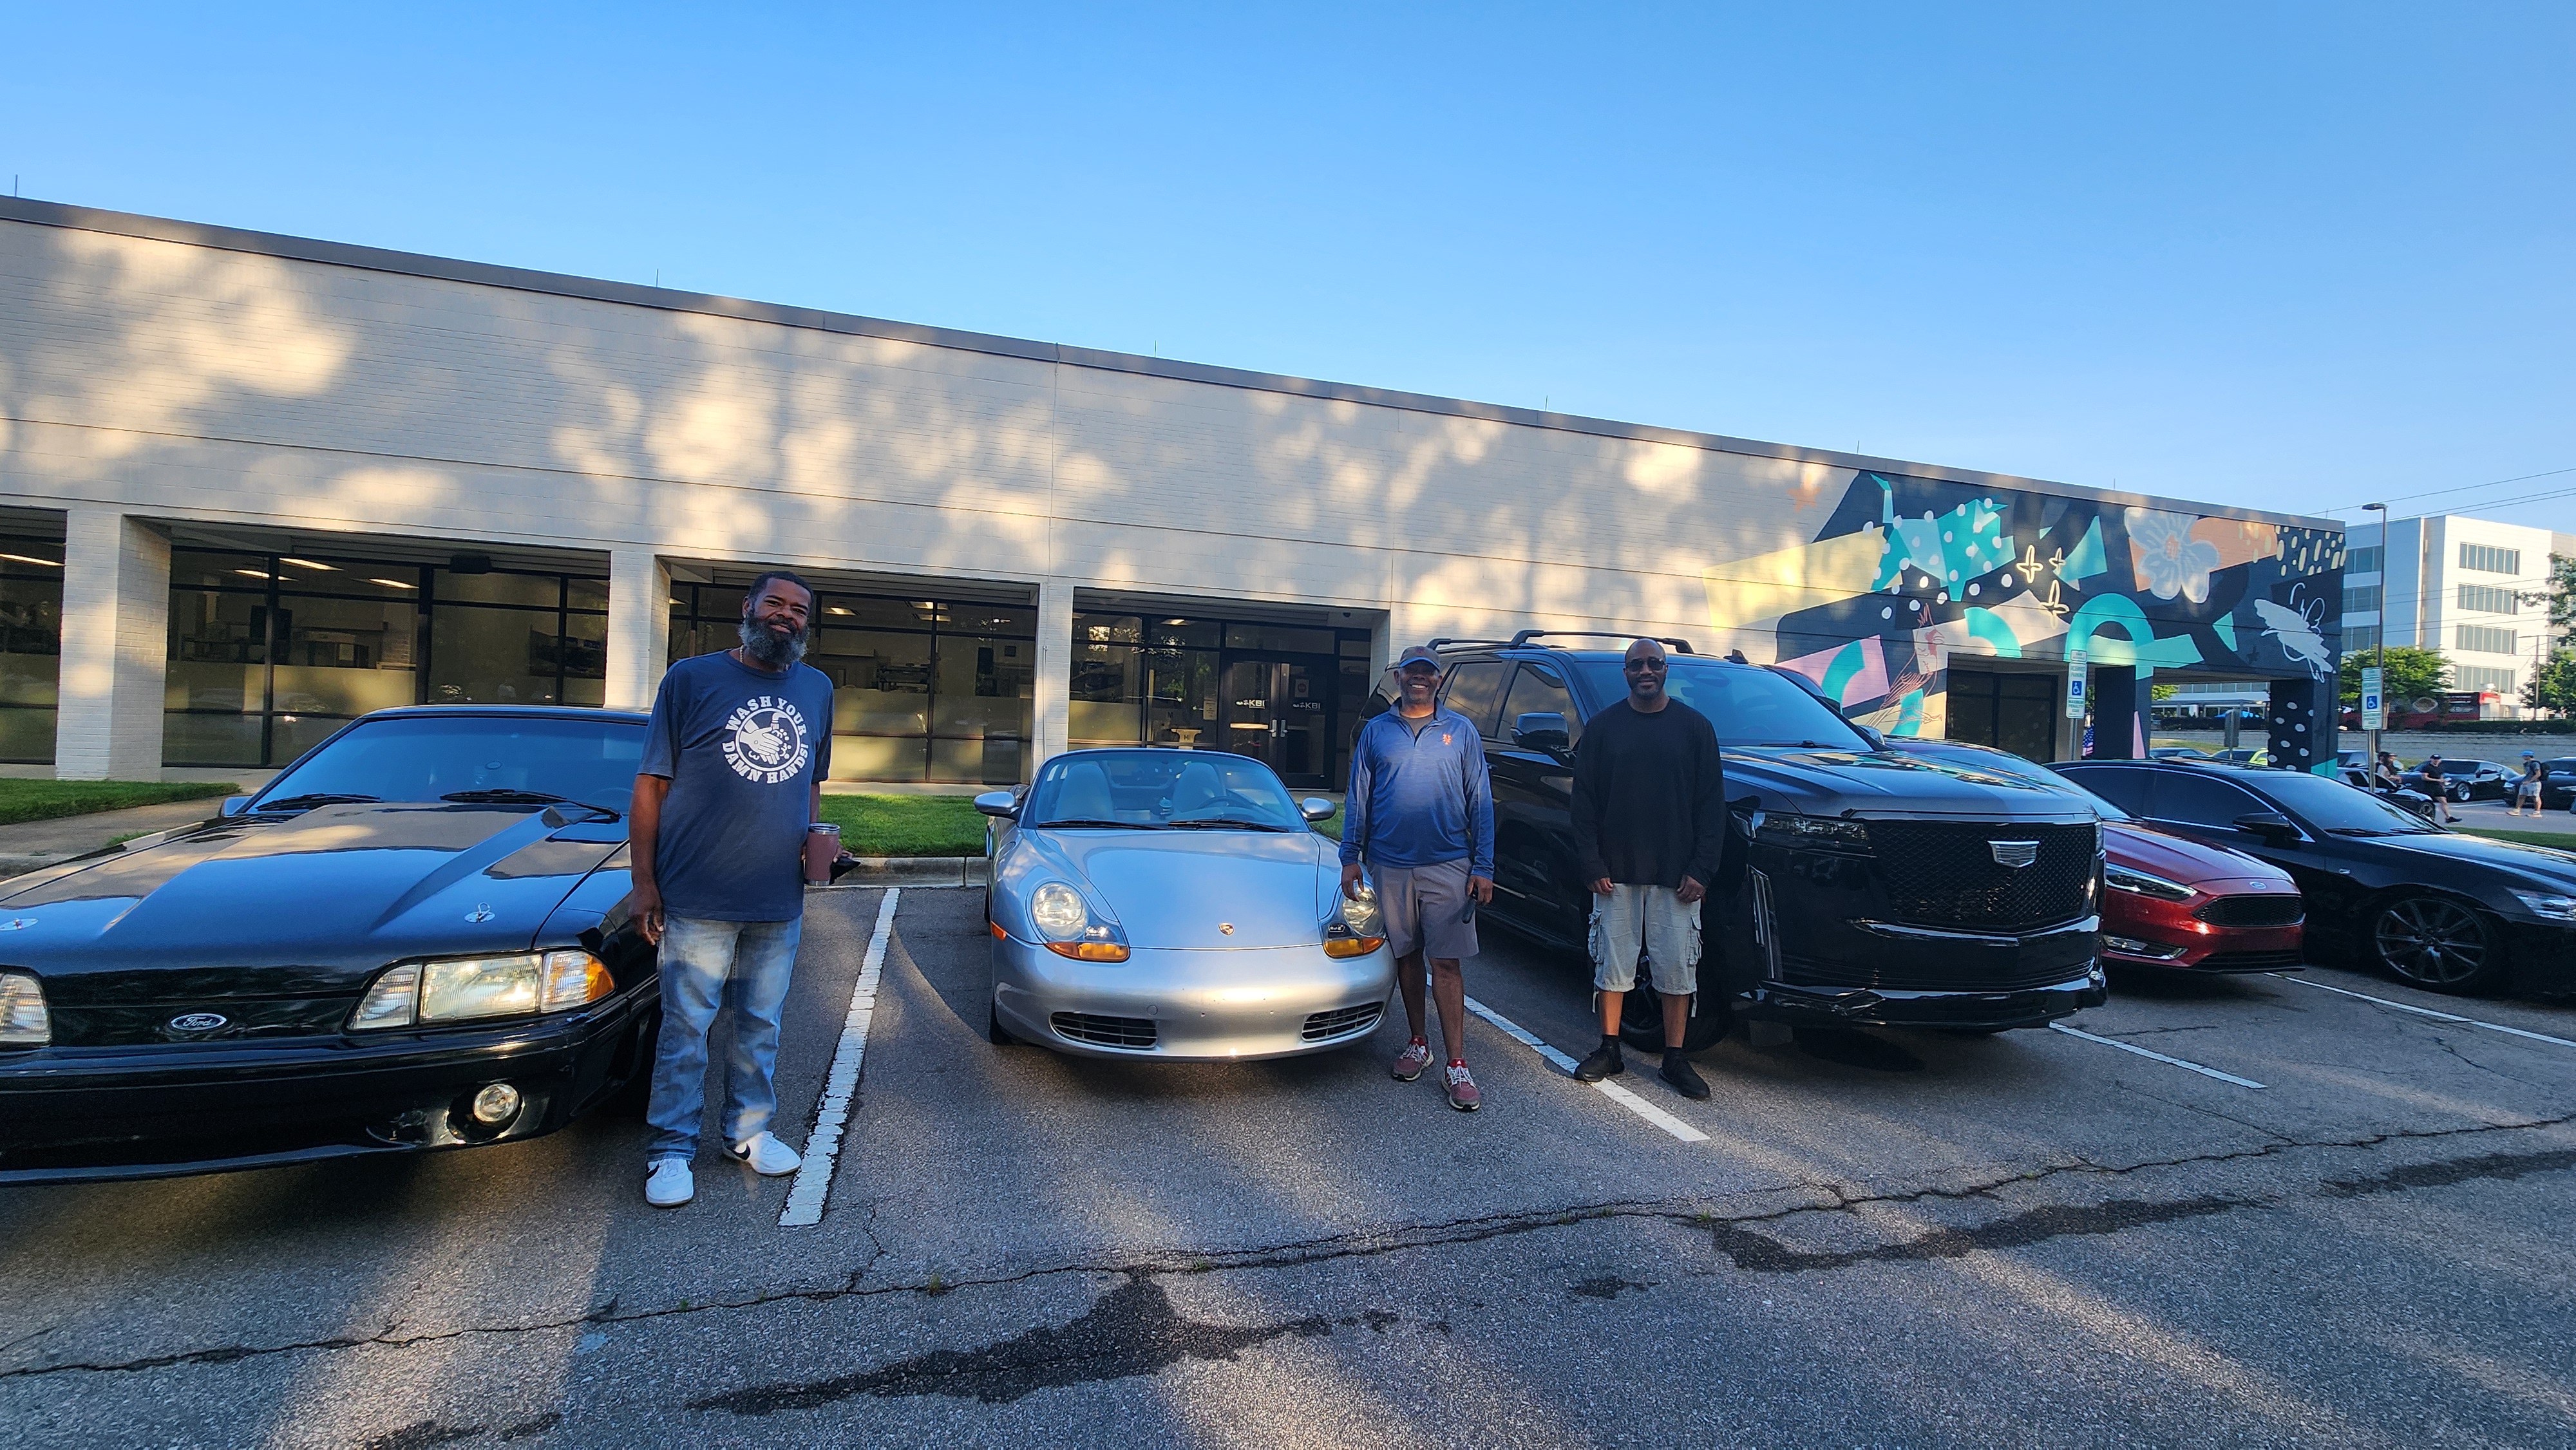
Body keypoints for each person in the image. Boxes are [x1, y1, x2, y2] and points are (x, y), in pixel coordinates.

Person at [630, 570, 837, 1209]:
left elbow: (810, 780)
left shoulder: (817, 688)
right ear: (747, 608)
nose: (786, 615)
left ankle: (747, 1133)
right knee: (686, 1029)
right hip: (698, 894)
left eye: (798, 609)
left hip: (777, 897)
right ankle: (670, 1149)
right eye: (774, 602)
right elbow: (651, 784)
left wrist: (813, 841)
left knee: (760, 1024)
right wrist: (644, 883)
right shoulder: (690, 679)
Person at [1569, 638, 1727, 1100]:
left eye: (1653, 663)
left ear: (1665, 670)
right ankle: (1610, 1049)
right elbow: (1583, 804)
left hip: (1678, 876)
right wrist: (1591, 863)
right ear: (1625, 673)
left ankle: (1675, 1058)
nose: (1645, 671)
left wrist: (1702, 870)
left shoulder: (1695, 729)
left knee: (1677, 969)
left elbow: (1711, 807)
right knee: (1612, 966)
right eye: (1636, 664)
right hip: (1613, 873)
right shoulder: (1603, 728)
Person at [1341, 645, 1496, 1112]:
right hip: (1389, 864)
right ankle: (1418, 1043)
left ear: (1439, 680)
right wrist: (1350, 856)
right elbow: (1358, 797)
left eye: (1428, 673)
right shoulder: (1376, 731)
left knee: (1445, 963)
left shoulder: (1461, 731)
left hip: (1447, 863)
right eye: (1412, 672)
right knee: (1406, 956)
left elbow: (1480, 801)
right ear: (1400, 678)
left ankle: (1457, 1064)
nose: (1420, 679)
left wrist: (1483, 866)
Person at [2421, 754, 2456, 823]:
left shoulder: (2440, 768)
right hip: (2429, 787)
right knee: (2429, 803)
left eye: (2438, 759)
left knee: (2444, 801)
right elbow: (2424, 778)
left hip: (2438, 787)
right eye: (2435, 759)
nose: (2436, 760)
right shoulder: (2427, 767)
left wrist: (2443, 785)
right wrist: (2438, 780)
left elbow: (2441, 777)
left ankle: (2448, 817)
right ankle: (2425, 817)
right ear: (2431, 759)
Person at [2512, 751, 2544, 817]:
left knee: (2535, 797)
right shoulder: (2527, 764)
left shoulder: (2535, 764)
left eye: (2524, 756)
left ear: (2528, 756)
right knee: (2521, 796)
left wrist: (2529, 781)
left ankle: (2537, 812)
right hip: (2525, 783)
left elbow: (2538, 774)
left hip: (2534, 783)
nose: (2523, 758)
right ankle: (2517, 810)